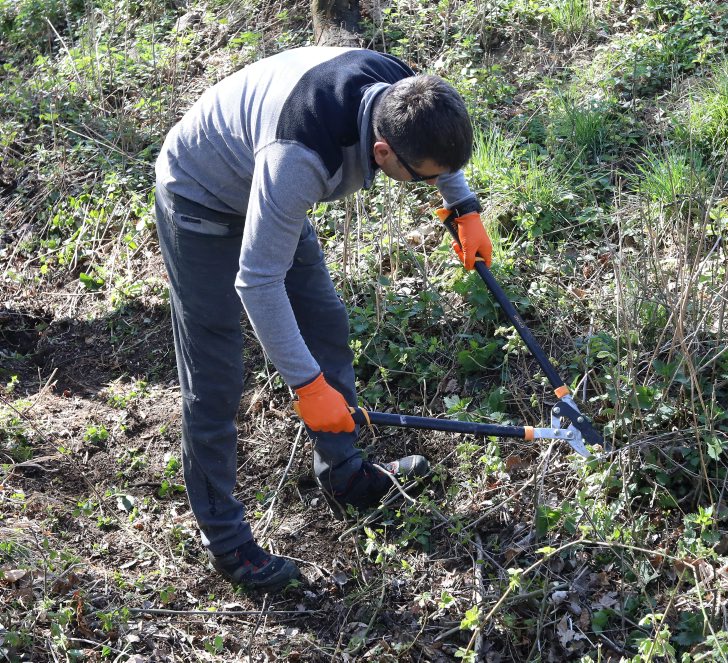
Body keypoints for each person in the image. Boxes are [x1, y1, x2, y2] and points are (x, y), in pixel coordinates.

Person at [153, 46, 492, 592]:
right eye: (422, 179)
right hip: (201, 194)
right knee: (214, 374)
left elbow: (438, 155)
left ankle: (342, 472)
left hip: (262, 181)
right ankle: (227, 540)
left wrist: (463, 205)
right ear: (382, 152)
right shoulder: (299, 161)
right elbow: (257, 282)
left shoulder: (402, 87)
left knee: (326, 322)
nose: (429, 183)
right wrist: (308, 386)